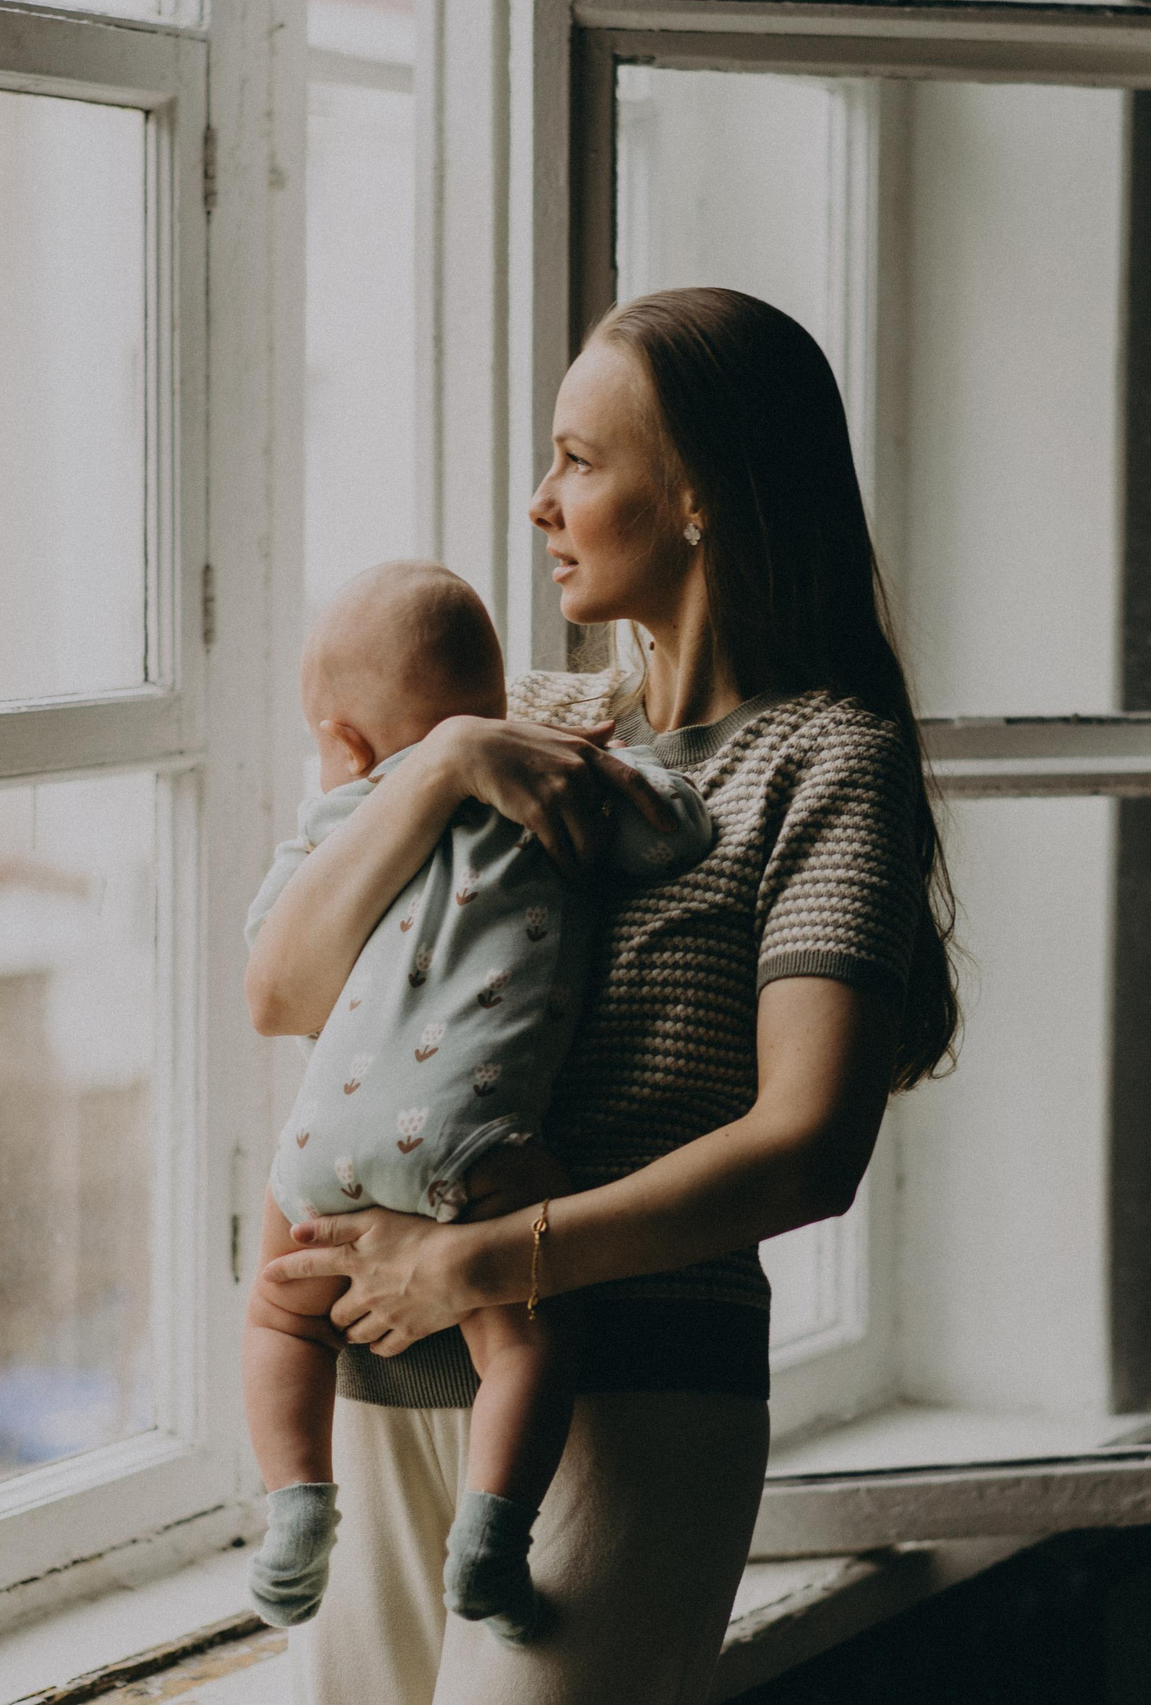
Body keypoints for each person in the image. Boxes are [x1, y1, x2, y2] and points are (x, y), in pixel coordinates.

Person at [243, 286, 960, 1705]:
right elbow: (286, 988)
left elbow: (809, 1145)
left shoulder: (831, 762)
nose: (537, 502)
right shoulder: (532, 723)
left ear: (696, 496)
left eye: (580, 460)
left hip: (637, 1396)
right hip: (382, 1367)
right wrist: (446, 760)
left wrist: (480, 1263)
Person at [239, 561, 713, 1645]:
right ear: (497, 703)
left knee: (276, 1309)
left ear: (347, 745)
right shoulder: (556, 787)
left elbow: (271, 963)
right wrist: (631, 773)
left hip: (323, 1139)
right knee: (528, 1346)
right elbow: (674, 835)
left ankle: (295, 1507)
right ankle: (494, 1536)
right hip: (477, 1137)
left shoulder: (341, 820)